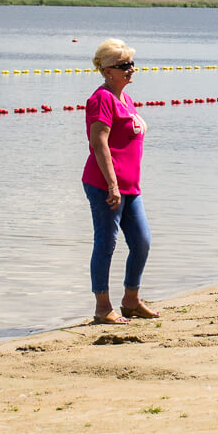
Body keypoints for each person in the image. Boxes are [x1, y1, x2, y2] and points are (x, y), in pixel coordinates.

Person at [82, 38, 157, 324]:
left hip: (130, 185)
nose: (130, 69)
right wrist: (112, 185)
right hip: (105, 184)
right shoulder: (101, 99)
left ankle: (131, 300)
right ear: (107, 71)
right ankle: (103, 307)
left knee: (141, 241)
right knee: (106, 243)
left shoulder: (124, 98)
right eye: (123, 65)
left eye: (131, 64)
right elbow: (99, 143)